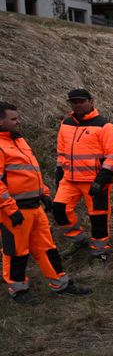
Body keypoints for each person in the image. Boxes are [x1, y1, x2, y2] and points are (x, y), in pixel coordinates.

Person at [0, 102, 91, 303]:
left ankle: (61, 283)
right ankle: (18, 291)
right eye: (13, 119)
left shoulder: (19, 140)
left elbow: (33, 172)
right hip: (14, 211)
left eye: (18, 117)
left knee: (47, 247)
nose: (19, 121)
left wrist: (44, 194)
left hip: (34, 207)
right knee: (16, 252)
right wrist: (10, 209)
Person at [53, 89, 113, 261]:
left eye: (81, 101)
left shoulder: (105, 126)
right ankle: (80, 240)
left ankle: (100, 252)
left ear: (91, 102)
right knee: (59, 210)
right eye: (74, 102)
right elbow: (61, 152)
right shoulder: (66, 123)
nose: (77, 105)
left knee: (98, 218)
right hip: (69, 179)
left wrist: (101, 179)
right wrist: (59, 172)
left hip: (95, 181)